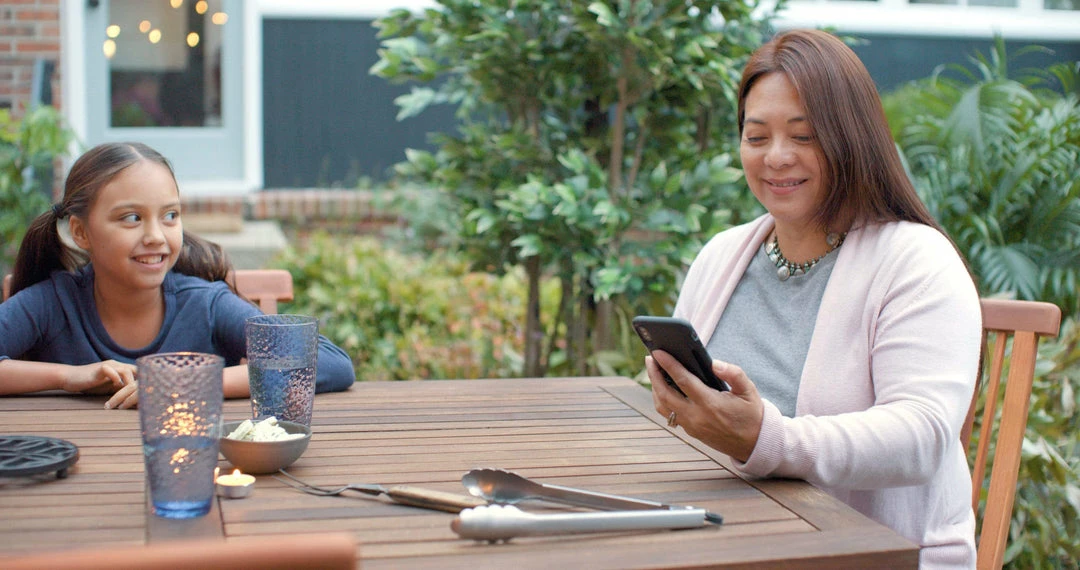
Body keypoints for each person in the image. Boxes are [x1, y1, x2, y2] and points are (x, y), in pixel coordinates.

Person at [646, 30, 980, 568]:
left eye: (803, 136)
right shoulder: (721, 256)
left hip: (872, 556)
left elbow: (921, 437)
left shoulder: (917, 261)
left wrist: (766, 438)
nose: (777, 157)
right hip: (725, 545)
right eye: (756, 137)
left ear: (852, 139)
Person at [0, 142, 355, 407]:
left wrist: (183, 383)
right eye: (132, 218)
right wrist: (69, 376)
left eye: (170, 216)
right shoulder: (53, 302)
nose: (156, 236)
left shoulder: (205, 305)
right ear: (80, 232)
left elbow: (330, 363)